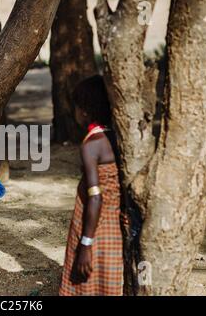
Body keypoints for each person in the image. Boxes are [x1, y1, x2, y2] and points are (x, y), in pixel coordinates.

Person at [59, 75, 124, 296]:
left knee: (86, 278)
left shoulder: (91, 145)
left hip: (92, 224)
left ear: (84, 111)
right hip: (115, 224)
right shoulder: (118, 138)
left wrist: (85, 244)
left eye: (76, 107)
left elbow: (95, 197)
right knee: (108, 277)